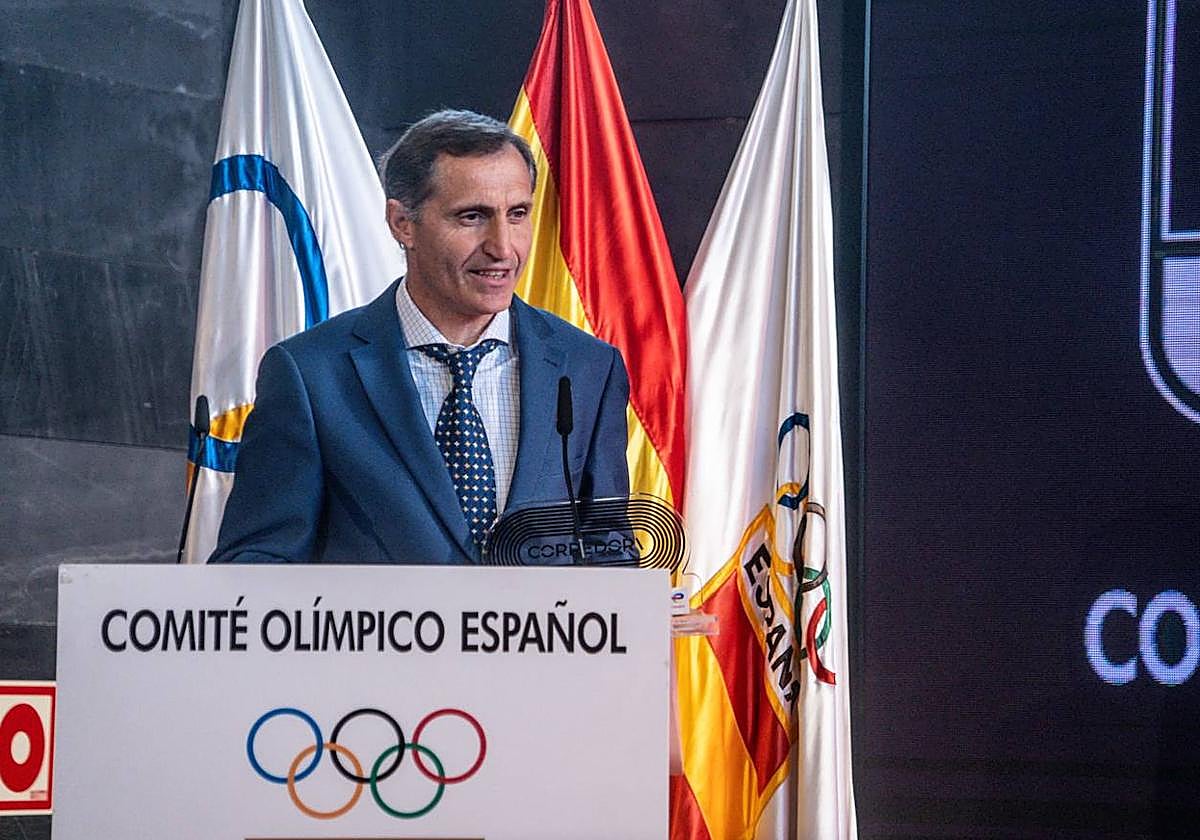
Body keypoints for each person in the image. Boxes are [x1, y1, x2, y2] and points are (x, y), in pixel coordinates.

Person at [209, 110, 630, 564]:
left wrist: (642, 613)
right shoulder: (312, 375)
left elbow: (609, 558)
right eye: (472, 217)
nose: (503, 247)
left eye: (518, 214)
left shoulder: (587, 368)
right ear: (402, 223)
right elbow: (256, 566)